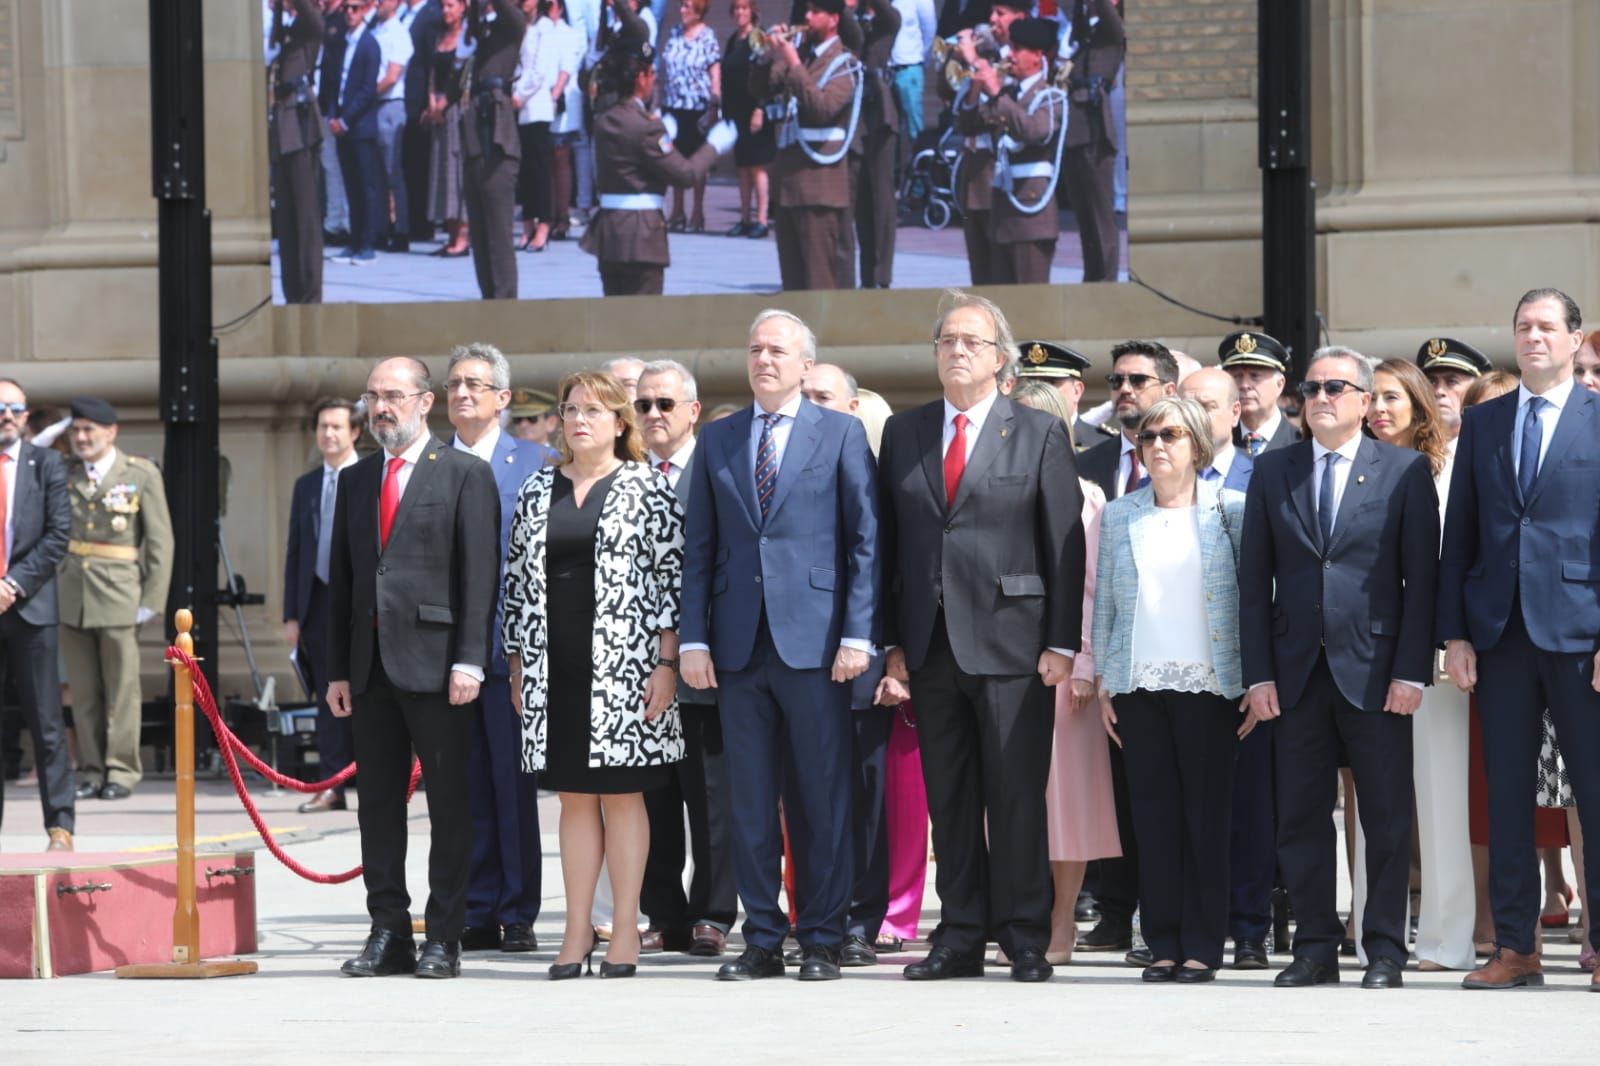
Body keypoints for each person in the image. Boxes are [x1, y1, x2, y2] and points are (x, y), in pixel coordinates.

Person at [878, 290, 1085, 983]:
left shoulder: (1037, 432)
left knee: (1016, 795)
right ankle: (960, 932)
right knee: (952, 799)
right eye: (946, 341)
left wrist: (1061, 642)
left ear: (1001, 360)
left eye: (971, 341)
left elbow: (1063, 543)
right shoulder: (905, 434)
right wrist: (891, 639)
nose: (956, 351)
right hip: (931, 645)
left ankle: (1023, 934)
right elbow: (889, 543)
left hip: (1012, 642)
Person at [678, 309, 879, 982]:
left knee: (821, 799)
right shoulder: (719, 440)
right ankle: (762, 937)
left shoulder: (842, 433)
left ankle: (821, 935)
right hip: (737, 648)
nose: (764, 359)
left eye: (778, 350)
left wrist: (858, 634)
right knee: (749, 801)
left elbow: (864, 542)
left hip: (817, 645)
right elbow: (698, 550)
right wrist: (694, 639)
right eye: (756, 348)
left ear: (803, 363)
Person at [1240, 346, 1440, 990]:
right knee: (1300, 817)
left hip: (1378, 669)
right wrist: (1258, 675)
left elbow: (1422, 583)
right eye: (1313, 386)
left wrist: (1412, 672)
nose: (1323, 396)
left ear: (1363, 400)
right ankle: (1315, 947)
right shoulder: (1274, 472)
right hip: (1295, 671)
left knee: (1384, 817)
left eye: (1337, 387)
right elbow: (1253, 584)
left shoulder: (1404, 472)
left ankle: (1383, 948)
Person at [1440, 288, 1600, 991]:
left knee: (1594, 793)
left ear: (1573, 339)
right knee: (1505, 794)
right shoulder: (1484, 424)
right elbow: (1460, 538)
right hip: (1498, 631)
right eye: (1522, 327)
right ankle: (1515, 947)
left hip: (1580, 631)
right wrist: (1454, 635)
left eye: (1546, 327)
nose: (1532, 337)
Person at [502, 371, 684, 979]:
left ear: (619, 422)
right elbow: (517, 587)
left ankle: (626, 927)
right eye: (571, 409)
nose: (580, 420)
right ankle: (577, 930)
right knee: (573, 798)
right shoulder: (536, 489)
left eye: (594, 410)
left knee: (623, 795)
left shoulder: (647, 488)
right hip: (553, 666)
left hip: (627, 669)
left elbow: (670, 583)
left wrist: (666, 663)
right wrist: (516, 663)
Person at [326, 357, 500, 980]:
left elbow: (480, 578)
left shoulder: (463, 474)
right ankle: (388, 929)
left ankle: (444, 935)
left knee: (450, 803)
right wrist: (337, 671)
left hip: (439, 667)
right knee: (376, 805)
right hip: (369, 670)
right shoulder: (355, 479)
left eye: (393, 395)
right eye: (372, 396)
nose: (380, 407)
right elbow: (342, 583)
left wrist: (471, 661)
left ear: (425, 402)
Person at [1094, 396, 1245, 982]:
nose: (1157, 444)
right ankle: (1160, 942)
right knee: (1152, 819)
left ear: (1198, 446)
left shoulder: (1232, 509)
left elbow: (1254, 600)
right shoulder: (1119, 514)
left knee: (1205, 818)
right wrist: (1107, 680)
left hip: (1211, 685)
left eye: (1172, 435)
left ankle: (1203, 945)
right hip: (1139, 681)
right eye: (1149, 435)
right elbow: (1105, 602)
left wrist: (1254, 680)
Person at [1346, 357, 1470, 972]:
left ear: (1419, 403)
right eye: (1374, 397)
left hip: (1436, 659)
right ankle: (1378, 933)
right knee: (1377, 807)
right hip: (1369, 657)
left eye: (1394, 397)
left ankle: (1447, 939)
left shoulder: (1448, 470)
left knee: (1441, 798)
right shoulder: (1350, 467)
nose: (1381, 409)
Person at [799, 361, 911, 967]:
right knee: (809, 791)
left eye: (824, 397)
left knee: (865, 796)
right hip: (795, 659)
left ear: (850, 408)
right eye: (805, 395)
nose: (811, 405)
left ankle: (860, 920)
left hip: (862, 659)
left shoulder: (874, 470)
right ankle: (817, 910)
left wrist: (893, 655)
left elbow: (889, 570)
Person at [440, 345, 548, 956]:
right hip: (447, 650)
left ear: (503, 398)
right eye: (454, 383)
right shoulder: (429, 461)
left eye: (476, 384)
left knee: (513, 785)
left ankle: (517, 909)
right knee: (463, 786)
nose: (462, 394)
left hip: (514, 653)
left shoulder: (534, 461)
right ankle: (475, 907)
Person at [1008, 377, 1119, 966]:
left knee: (1068, 801)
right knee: (1010, 801)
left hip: (1064, 669)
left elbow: (1094, 589)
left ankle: (1061, 920)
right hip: (1001, 661)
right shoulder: (990, 483)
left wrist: (1084, 663)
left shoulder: (1086, 495)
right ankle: (1019, 917)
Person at [1073, 339, 1176, 956]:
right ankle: (1114, 911)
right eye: (1116, 380)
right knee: (1113, 785)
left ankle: (1161, 916)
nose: (1125, 390)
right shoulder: (1091, 463)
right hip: (1107, 647)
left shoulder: (1186, 460)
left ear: (1168, 387)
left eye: (1139, 379)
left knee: (1160, 793)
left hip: (1174, 649)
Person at [635, 360, 738, 957]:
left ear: (692, 410)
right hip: (638, 667)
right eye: (644, 405)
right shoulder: (625, 478)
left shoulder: (718, 468)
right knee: (653, 797)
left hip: (705, 660)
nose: (652, 415)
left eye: (664, 404)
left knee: (711, 794)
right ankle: (664, 913)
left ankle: (714, 912)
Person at [1177, 364, 1265, 968]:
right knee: (1185, 807)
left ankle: (1253, 929)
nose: (1197, 416)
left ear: (1235, 413)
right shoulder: (1159, 477)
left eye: (1209, 405)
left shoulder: (1266, 476)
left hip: (1245, 668)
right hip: (1178, 669)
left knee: (1251, 803)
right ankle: (1184, 926)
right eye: (1186, 404)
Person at [59, 398, 174, 802]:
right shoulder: (66, 473)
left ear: (112, 432)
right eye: (76, 430)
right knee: (85, 692)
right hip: (71, 595)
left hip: (120, 594)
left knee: (122, 691)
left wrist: (152, 598)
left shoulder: (139, 474)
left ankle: (121, 771)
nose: (82, 437)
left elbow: (160, 541)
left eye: (90, 429)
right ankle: (91, 770)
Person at [579, 38, 738, 295]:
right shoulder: (647, 127)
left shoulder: (604, 120)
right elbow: (685, 175)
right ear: (640, 78)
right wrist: (714, 147)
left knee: (614, 320)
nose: (653, 79)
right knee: (645, 324)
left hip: (610, 232)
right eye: (651, 73)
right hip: (642, 235)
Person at [0, 380, 74, 851]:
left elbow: (57, 536)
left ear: (26, 417)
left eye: (13, 408)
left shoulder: (47, 464)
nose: (5, 414)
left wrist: (11, 584)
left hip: (28, 607)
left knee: (46, 722)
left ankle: (60, 826)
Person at [282, 397, 363, 815]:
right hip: (317, 603)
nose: (329, 434)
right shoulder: (307, 485)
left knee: (369, 696)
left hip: (362, 603)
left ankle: (376, 780)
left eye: (337, 427)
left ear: (355, 432)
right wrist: (291, 615)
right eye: (323, 427)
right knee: (327, 697)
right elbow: (296, 551)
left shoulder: (371, 476)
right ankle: (332, 785)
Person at [753, 0, 863, 290]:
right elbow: (760, 89)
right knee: (793, 286)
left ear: (834, 19)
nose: (807, 17)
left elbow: (823, 107)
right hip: (789, 186)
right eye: (807, 11)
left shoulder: (845, 63)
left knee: (819, 283)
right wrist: (767, 54)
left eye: (816, 12)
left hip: (819, 190)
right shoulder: (802, 55)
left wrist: (794, 63)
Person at [962, 17, 1063, 284]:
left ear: (1037, 55)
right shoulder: (1008, 94)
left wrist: (996, 92)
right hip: (1002, 215)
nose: (1011, 55)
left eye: (1019, 49)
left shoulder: (1049, 96)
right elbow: (969, 126)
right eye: (1012, 47)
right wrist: (975, 88)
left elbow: (1032, 131)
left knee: (1031, 306)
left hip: (1031, 215)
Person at [944, 0, 1026, 285]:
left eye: (1000, 13)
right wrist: (973, 74)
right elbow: (965, 122)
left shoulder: (1018, 62)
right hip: (975, 177)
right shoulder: (988, 59)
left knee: (1002, 273)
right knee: (980, 275)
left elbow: (1001, 113)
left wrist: (975, 63)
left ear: (1021, 17)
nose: (993, 20)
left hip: (1000, 177)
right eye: (992, 12)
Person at [461, 0, 528, 298]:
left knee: (499, 234)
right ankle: (489, 298)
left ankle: (505, 304)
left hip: (497, 136)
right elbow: (473, 21)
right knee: (479, 229)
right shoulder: (485, 33)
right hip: (476, 133)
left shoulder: (514, 24)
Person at [267, 0, 326, 302]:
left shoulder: (309, 27)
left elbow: (313, 19)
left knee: (305, 218)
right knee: (287, 219)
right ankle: (293, 292)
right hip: (281, 127)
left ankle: (310, 293)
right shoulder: (286, 30)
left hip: (301, 127)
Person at [1060, 0, 1122, 282]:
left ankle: (1106, 278)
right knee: (1084, 216)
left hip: (1095, 133)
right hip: (1075, 132)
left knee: (1100, 216)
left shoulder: (1112, 34)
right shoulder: (1086, 38)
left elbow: (1107, 12)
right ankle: (1092, 276)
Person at [328, 0, 385, 265]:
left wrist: (347, 120)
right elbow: (333, 79)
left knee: (366, 186)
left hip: (360, 126)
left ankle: (367, 243)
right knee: (350, 184)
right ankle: (353, 241)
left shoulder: (370, 44)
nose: (349, 13)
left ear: (364, 10)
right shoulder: (342, 42)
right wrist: (334, 115)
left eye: (354, 8)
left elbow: (367, 90)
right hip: (342, 123)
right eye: (346, 8)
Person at [850, 0, 901, 290]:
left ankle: (883, 275)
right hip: (855, 116)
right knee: (861, 201)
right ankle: (867, 275)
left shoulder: (887, 20)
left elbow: (887, 15)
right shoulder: (852, 20)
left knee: (882, 198)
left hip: (880, 117)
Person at [660, 0, 722, 234]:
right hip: (673, 105)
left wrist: (715, 104)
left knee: (697, 161)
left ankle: (697, 211)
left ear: (699, 10)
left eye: (687, 6)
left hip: (697, 108)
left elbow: (715, 73)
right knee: (674, 159)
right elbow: (665, 68)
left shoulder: (708, 37)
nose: (682, 10)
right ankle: (677, 211)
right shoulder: (675, 33)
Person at [720, 0, 775, 238]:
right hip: (736, 111)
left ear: (752, 11)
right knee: (742, 166)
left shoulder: (758, 38)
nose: (740, 13)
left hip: (755, 110)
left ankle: (761, 220)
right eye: (736, 9)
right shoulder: (733, 40)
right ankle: (744, 219)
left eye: (744, 8)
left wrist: (760, 108)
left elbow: (767, 74)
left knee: (757, 167)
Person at [424, 0, 473, 258]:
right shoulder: (439, 37)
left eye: (451, 6)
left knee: (458, 170)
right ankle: (451, 233)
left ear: (463, 7)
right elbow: (434, 73)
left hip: (457, 108)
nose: (446, 11)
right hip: (439, 112)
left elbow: (464, 76)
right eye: (444, 6)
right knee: (442, 172)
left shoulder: (468, 38)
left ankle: (464, 235)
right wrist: (432, 102)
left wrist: (444, 104)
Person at [513, 0, 563, 253]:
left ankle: (544, 223)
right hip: (517, 106)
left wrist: (519, 94)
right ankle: (527, 222)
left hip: (536, 105)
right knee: (523, 171)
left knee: (539, 169)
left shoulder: (546, 27)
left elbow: (539, 70)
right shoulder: (520, 25)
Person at [372, 0, 417, 252]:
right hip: (375, 106)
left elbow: (392, 75)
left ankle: (401, 229)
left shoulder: (398, 33)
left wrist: (367, 93)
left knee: (393, 172)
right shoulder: (376, 30)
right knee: (378, 173)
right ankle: (381, 227)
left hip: (390, 104)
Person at [400, 0, 445, 244]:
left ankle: (422, 224)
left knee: (419, 166)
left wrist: (430, 98)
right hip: (406, 97)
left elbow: (431, 59)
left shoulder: (431, 14)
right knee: (409, 165)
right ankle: (412, 220)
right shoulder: (405, 15)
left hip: (420, 100)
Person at [1015, 339, 1112, 450]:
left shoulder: (1103, 445)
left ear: (1077, 391)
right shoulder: (1011, 441)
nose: (1038, 391)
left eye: (1050, 383)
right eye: (1030, 382)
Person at [1219, 330, 1299, 457]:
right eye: (1237, 376)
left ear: (1279, 385)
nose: (1245, 385)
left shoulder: (1301, 443)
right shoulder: (1218, 444)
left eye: (1255, 376)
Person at [545, 0, 586, 241]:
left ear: (560, 8)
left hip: (562, 103)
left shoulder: (568, 34)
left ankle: (561, 216)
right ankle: (547, 214)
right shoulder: (539, 30)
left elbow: (568, 67)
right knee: (546, 161)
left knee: (560, 159)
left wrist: (556, 92)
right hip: (541, 103)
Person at [1417, 336, 1492, 444]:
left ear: (1475, 391)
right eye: (1432, 382)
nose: (1439, 391)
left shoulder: (1489, 446)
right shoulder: (1411, 448)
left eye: (1451, 382)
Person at [888, 0, 934, 151]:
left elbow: (929, 29)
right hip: (884, 69)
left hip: (909, 66)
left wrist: (917, 55)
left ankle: (918, 165)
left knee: (913, 126)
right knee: (889, 126)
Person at [508, 387, 562, 462]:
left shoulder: (561, 460)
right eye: (518, 419)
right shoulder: (506, 459)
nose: (523, 425)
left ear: (551, 423)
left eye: (532, 418)